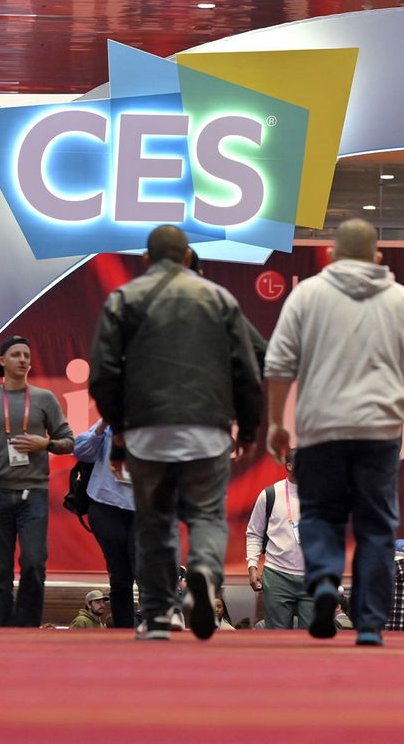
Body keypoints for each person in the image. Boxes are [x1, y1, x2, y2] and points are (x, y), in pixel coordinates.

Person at [265, 218, 404, 647]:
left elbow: (278, 364)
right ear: (378, 258)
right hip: (379, 431)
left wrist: (274, 423)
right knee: (376, 526)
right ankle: (370, 624)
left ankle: (323, 581)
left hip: (321, 428)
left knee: (321, 513)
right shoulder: (403, 300)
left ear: (331, 255)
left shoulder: (307, 295)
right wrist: (400, 408)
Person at [89, 225, 263, 642]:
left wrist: (117, 434)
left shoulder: (123, 299)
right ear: (187, 258)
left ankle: (156, 615)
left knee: (154, 519)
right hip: (208, 425)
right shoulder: (219, 299)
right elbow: (251, 362)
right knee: (205, 513)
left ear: (146, 261)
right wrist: (250, 426)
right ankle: (203, 572)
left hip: (146, 428)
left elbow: (104, 374)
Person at [0, 336, 74, 627]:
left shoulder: (43, 398)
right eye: (16, 354)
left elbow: (68, 441)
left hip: (33, 492)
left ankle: (27, 628)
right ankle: (3, 632)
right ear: (1, 361)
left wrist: (44, 443)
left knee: (34, 564)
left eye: (26, 354)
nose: (23, 359)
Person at [73, 419, 137, 629]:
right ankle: (123, 631)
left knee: (144, 568)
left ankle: (153, 628)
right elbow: (81, 451)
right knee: (119, 576)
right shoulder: (111, 420)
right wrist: (102, 427)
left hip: (144, 507)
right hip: (106, 504)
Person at [244, 452, 313, 630]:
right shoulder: (270, 494)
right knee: (277, 636)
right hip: (277, 575)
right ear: (289, 466)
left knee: (312, 638)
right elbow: (254, 534)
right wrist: (252, 567)